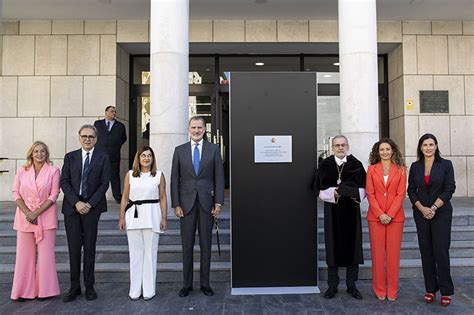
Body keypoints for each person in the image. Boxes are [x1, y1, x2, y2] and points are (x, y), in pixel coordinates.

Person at [171, 116, 225, 297]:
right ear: (188, 129)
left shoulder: (214, 149)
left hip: (206, 204)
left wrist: (218, 202)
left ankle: (205, 284)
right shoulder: (179, 151)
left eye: (199, 127)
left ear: (204, 129)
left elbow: (219, 177)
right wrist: (176, 204)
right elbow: (173, 179)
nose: (196, 130)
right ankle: (186, 284)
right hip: (185, 205)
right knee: (187, 246)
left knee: (205, 246)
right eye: (193, 127)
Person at [60, 124, 110, 302]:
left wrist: (89, 204)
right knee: (74, 249)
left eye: (91, 136)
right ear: (79, 137)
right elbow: (64, 182)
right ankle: (74, 288)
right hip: (72, 209)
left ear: (96, 139)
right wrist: (77, 202)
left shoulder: (103, 157)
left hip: (92, 209)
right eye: (84, 136)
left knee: (89, 248)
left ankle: (89, 287)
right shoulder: (70, 157)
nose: (87, 139)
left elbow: (105, 183)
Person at [313, 135, 366, 300]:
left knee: (353, 248)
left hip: (351, 212)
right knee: (332, 247)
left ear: (347, 146)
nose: (340, 148)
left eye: (343, 145)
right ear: (333, 147)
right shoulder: (325, 165)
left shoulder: (356, 165)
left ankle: (352, 285)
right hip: (333, 211)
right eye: (337, 145)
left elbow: (364, 189)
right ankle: (332, 285)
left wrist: (353, 193)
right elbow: (317, 190)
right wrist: (334, 193)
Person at [408, 133, 456, 307]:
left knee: (441, 252)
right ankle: (430, 289)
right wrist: (422, 208)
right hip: (421, 213)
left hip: (441, 213)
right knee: (426, 252)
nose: (428, 148)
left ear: (436, 146)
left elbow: (450, 188)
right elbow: (411, 190)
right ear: (420, 148)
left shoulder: (446, 165)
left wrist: (434, 208)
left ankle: (446, 291)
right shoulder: (415, 166)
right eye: (425, 145)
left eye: (431, 144)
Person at [11, 141, 60, 302]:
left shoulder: (53, 171)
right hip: (25, 219)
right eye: (36, 151)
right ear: (31, 153)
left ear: (47, 154)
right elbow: (16, 193)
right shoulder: (21, 171)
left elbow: (54, 195)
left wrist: (36, 213)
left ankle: (45, 291)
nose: (40, 154)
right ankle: (24, 291)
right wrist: (28, 213)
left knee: (46, 256)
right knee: (24, 256)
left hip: (46, 219)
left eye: (43, 151)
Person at [119, 146, 168, 300]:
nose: (146, 158)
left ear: (153, 159)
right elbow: (125, 197)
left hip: (152, 215)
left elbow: (163, 197)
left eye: (149, 156)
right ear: (138, 158)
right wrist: (121, 217)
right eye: (143, 156)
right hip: (133, 216)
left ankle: (148, 290)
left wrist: (164, 217)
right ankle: (135, 290)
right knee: (135, 255)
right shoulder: (130, 175)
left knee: (150, 254)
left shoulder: (159, 175)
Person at [366, 138, 406, 301]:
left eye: (387, 149)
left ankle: (393, 291)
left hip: (395, 218)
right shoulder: (371, 169)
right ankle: (380, 290)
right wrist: (380, 214)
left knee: (393, 256)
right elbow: (370, 193)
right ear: (377, 152)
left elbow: (401, 194)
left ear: (393, 151)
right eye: (381, 149)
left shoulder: (402, 170)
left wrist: (389, 214)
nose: (385, 152)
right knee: (377, 255)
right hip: (376, 218)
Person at [94, 105, 127, 203]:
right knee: (98, 175)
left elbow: (123, 138)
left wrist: (115, 146)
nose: (113, 113)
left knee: (114, 176)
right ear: (106, 112)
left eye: (115, 112)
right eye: (111, 111)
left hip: (114, 154)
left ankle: (117, 197)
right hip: (99, 154)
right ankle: (97, 196)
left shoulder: (120, 126)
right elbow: (94, 135)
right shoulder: (98, 124)